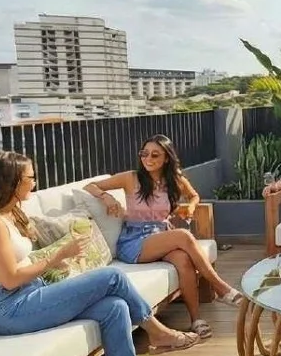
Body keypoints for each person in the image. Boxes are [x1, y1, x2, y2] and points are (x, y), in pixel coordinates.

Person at [0, 151, 199, 356]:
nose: (34, 183)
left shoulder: (7, 215)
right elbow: (9, 279)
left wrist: (55, 264)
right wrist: (56, 257)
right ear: (11, 182)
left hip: (28, 294)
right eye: (30, 178)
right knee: (112, 276)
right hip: (8, 307)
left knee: (115, 307)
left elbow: (16, 264)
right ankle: (157, 332)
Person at [82, 134, 244, 340]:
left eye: (155, 155)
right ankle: (220, 287)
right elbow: (90, 186)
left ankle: (196, 320)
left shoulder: (174, 180)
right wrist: (106, 197)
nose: (148, 159)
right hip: (134, 241)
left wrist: (190, 207)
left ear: (166, 158)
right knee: (183, 236)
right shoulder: (131, 177)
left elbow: (194, 196)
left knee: (183, 260)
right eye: (144, 154)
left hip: (160, 235)